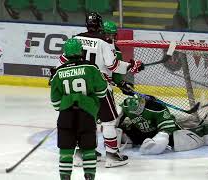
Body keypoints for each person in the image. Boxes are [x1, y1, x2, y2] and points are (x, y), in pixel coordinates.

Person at [58, 12, 144, 167]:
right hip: (99, 87)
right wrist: (132, 66)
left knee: (84, 120)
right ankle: (112, 156)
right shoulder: (104, 42)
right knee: (109, 122)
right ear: (100, 25)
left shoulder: (75, 39)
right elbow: (114, 66)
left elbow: (63, 61)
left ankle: (82, 153)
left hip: (79, 86)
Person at [50, 38, 108, 180]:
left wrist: (66, 107)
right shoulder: (91, 68)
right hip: (87, 113)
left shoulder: (58, 72)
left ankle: (65, 178)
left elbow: (55, 102)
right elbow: (102, 92)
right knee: (88, 149)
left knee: (66, 150)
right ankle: (89, 177)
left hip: (66, 115)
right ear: (80, 51)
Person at [117, 95, 208, 155]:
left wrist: (160, 139)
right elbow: (115, 121)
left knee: (182, 140)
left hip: (158, 130)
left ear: (143, 103)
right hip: (141, 132)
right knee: (119, 130)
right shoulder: (126, 106)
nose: (137, 112)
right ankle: (129, 139)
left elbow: (167, 127)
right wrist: (113, 130)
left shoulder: (156, 107)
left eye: (139, 110)